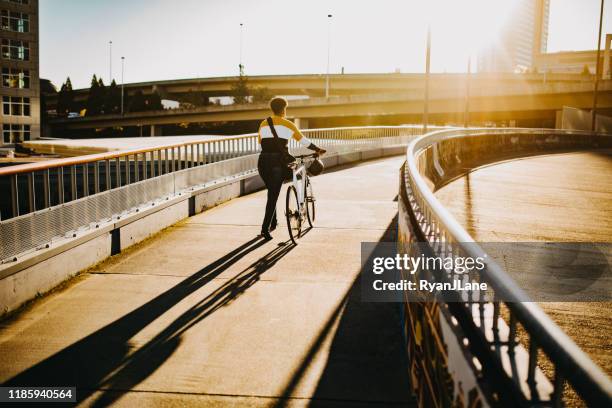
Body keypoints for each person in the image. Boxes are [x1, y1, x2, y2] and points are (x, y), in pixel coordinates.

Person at [257, 97, 326, 240]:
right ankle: (265, 229)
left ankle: (273, 222)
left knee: (272, 191)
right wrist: (318, 149)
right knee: (273, 195)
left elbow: (260, 142)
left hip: (263, 162)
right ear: (284, 109)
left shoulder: (264, 123)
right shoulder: (288, 124)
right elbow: (304, 141)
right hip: (277, 162)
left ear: (272, 109)